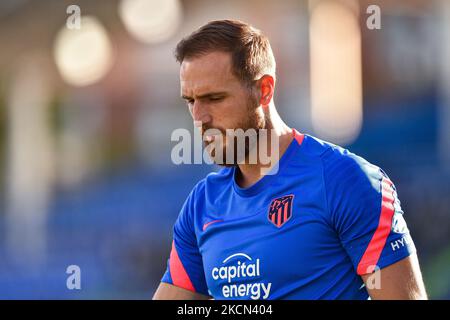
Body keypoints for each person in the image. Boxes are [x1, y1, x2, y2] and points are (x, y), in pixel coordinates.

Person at [153, 19, 427, 300]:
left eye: (214, 98)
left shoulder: (344, 179)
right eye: (191, 101)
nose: (200, 118)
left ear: (264, 90)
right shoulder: (203, 203)